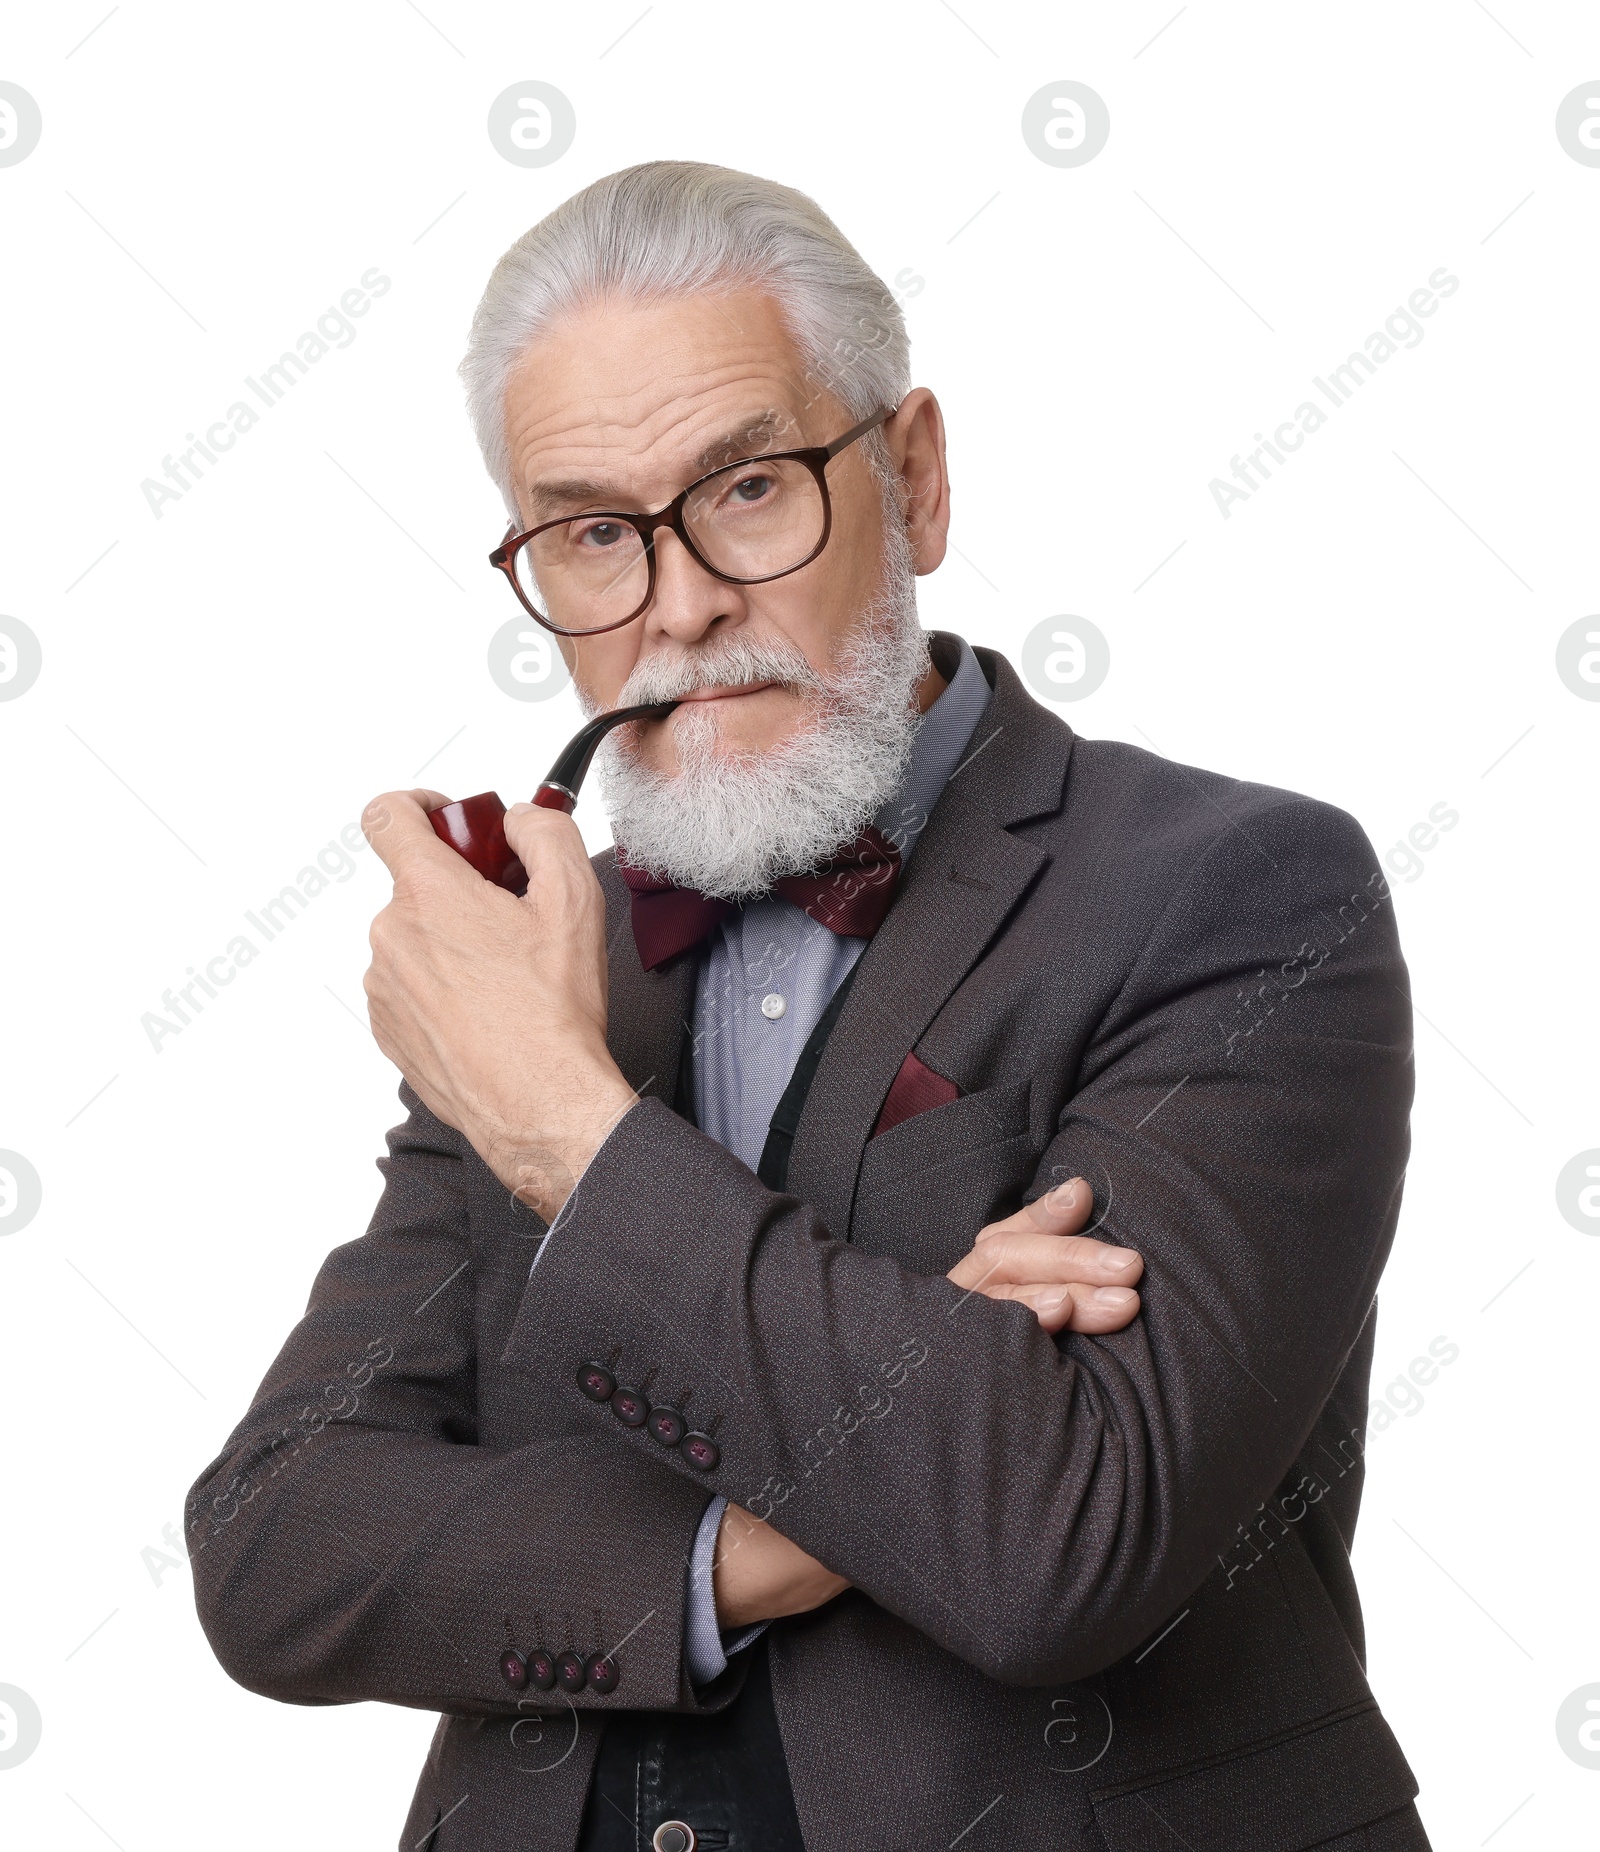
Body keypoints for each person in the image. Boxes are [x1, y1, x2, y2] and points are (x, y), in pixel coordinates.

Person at [187, 161, 1430, 1852]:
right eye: (594, 535)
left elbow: (1059, 1536)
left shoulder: (1240, 893)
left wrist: (566, 1128)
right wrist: (765, 1538)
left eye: (751, 490)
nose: (680, 605)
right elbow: (280, 1547)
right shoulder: (555, 961)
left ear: (912, 481)